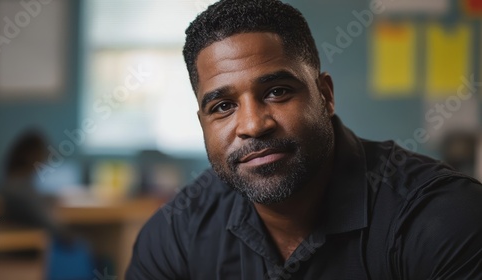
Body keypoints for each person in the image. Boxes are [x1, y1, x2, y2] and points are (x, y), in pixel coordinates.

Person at [126, 0, 482, 279]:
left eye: (277, 91)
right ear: (203, 122)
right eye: (223, 106)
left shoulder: (443, 217)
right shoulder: (176, 234)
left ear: (324, 95)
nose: (252, 124)